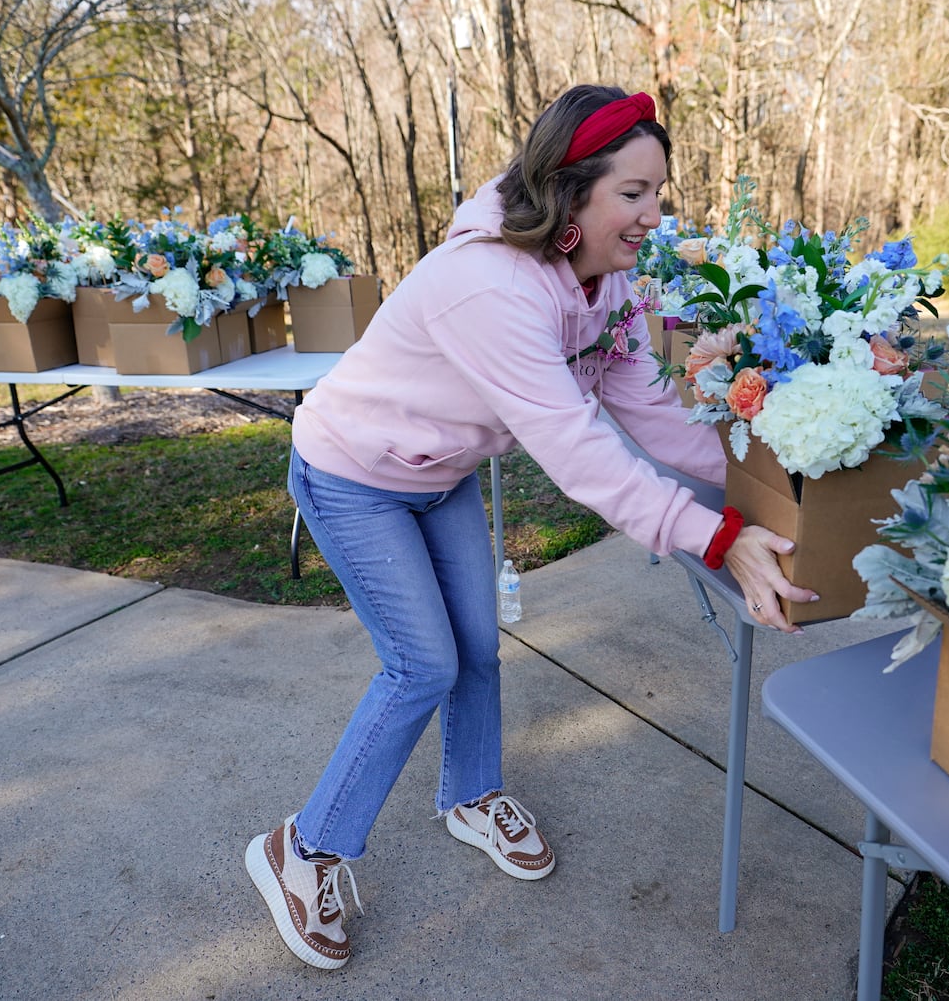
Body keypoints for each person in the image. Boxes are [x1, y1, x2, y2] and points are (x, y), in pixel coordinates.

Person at [244, 83, 817, 970]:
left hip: (440, 478)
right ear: (568, 188)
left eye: (659, 193)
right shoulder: (488, 287)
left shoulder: (607, 280)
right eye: (634, 194)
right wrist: (711, 535)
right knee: (422, 663)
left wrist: (769, 474)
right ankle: (304, 845)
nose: (654, 216)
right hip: (352, 473)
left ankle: (471, 793)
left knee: (477, 645)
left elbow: (648, 410)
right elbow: (577, 447)